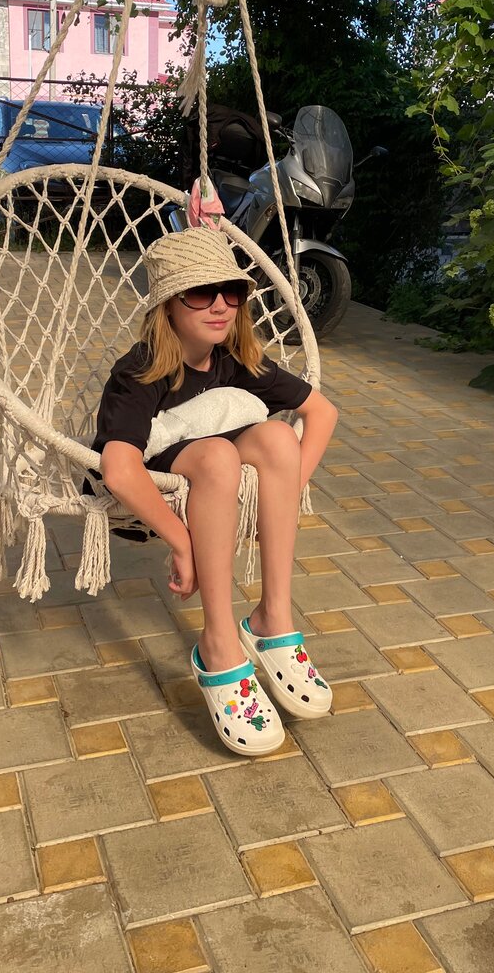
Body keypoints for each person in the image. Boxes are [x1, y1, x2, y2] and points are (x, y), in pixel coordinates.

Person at [95, 228, 338, 756]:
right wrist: (181, 542)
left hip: (216, 465)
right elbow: (118, 471)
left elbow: (321, 413)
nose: (221, 305)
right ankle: (219, 640)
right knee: (219, 456)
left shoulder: (237, 358)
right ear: (168, 304)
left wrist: (283, 497)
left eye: (232, 291)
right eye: (201, 292)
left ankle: (273, 616)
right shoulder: (140, 371)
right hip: (159, 474)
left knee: (278, 437)